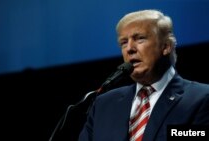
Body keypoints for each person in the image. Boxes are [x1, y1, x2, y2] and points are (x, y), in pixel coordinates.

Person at [78, 9, 209, 141]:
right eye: (124, 42)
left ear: (166, 46)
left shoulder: (201, 98)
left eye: (140, 39)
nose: (129, 48)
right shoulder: (103, 105)